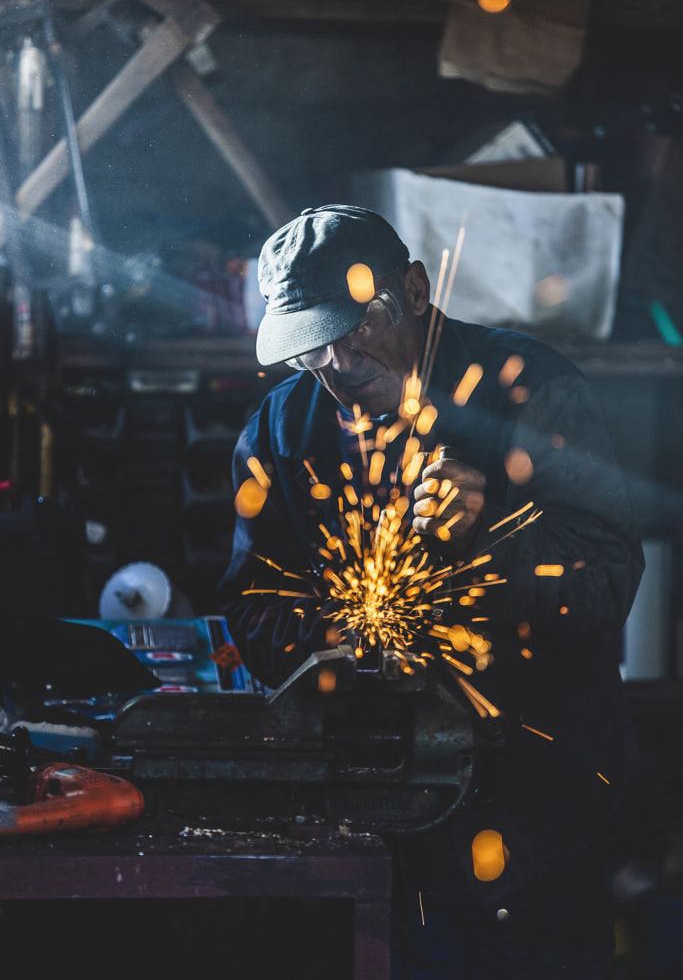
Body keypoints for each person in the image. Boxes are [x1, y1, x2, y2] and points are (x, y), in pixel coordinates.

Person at [217, 205, 643, 979]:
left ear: (414, 289)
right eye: (311, 345)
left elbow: (606, 580)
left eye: (358, 325)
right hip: (367, 802)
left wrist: (487, 539)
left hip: (535, 811)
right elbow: (254, 602)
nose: (338, 362)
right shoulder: (282, 429)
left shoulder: (529, 390)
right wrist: (337, 645)